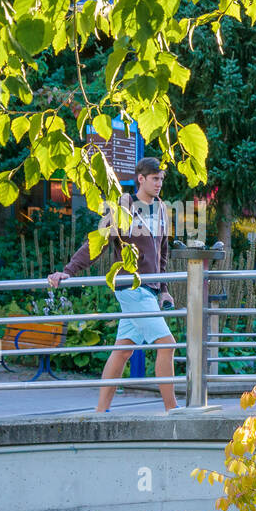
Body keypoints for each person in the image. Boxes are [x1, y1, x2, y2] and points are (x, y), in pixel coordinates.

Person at [47, 157, 177, 412]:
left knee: (122, 351)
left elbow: (162, 253)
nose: (159, 183)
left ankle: (99, 412)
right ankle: (172, 410)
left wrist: (163, 289)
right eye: (155, 179)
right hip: (131, 287)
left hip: (149, 289)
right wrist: (68, 271)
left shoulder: (161, 208)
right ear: (141, 178)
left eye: (161, 178)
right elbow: (98, 241)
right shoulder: (124, 204)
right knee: (168, 345)